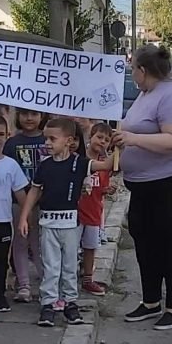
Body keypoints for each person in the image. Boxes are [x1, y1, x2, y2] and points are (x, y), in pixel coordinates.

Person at [111, 45, 172, 332]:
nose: (132, 73)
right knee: (144, 239)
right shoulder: (146, 94)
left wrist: (132, 139)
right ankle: (151, 300)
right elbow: (134, 127)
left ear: (143, 70)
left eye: (133, 69)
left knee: (170, 242)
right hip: (145, 183)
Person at [18, 117, 113, 327]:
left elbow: (107, 165)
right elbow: (35, 190)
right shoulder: (45, 165)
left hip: (70, 225)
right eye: (46, 139)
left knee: (69, 265)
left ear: (69, 141)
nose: (47, 143)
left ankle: (70, 302)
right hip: (48, 224)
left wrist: (120, 147)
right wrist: (24, 216)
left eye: (52, 139)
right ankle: (48, 303)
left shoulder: (80, 163)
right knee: (50, 266)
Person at [0, 114, 29, 313]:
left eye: (1, 134)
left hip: (3, 220)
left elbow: (21, 193)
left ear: (7, 135)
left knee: (1, 260)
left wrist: (25, 217)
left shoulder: (11, 164)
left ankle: (0, 294)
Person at [5, 108, 47, 303]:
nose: (29, 118)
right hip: (17, 202)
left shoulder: (48, 140)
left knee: (40, 245)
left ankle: (47, 284)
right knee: (20, 242)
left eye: (34, 114)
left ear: (42, 116)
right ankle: (23, 285)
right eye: (24, 114)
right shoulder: (12, 143)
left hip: (44, 203)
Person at [78, 122, 113, 296]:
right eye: (99, 137)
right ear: (90, 136)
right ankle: (68, 278)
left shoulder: (104, 165)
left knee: (90, 247)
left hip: (94, 212)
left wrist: (108, 190)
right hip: (77, 212)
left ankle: (88, 279)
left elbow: (101, 188)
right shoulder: (79, 158)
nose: (102, 142)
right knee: (70, 248)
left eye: (106, 140)